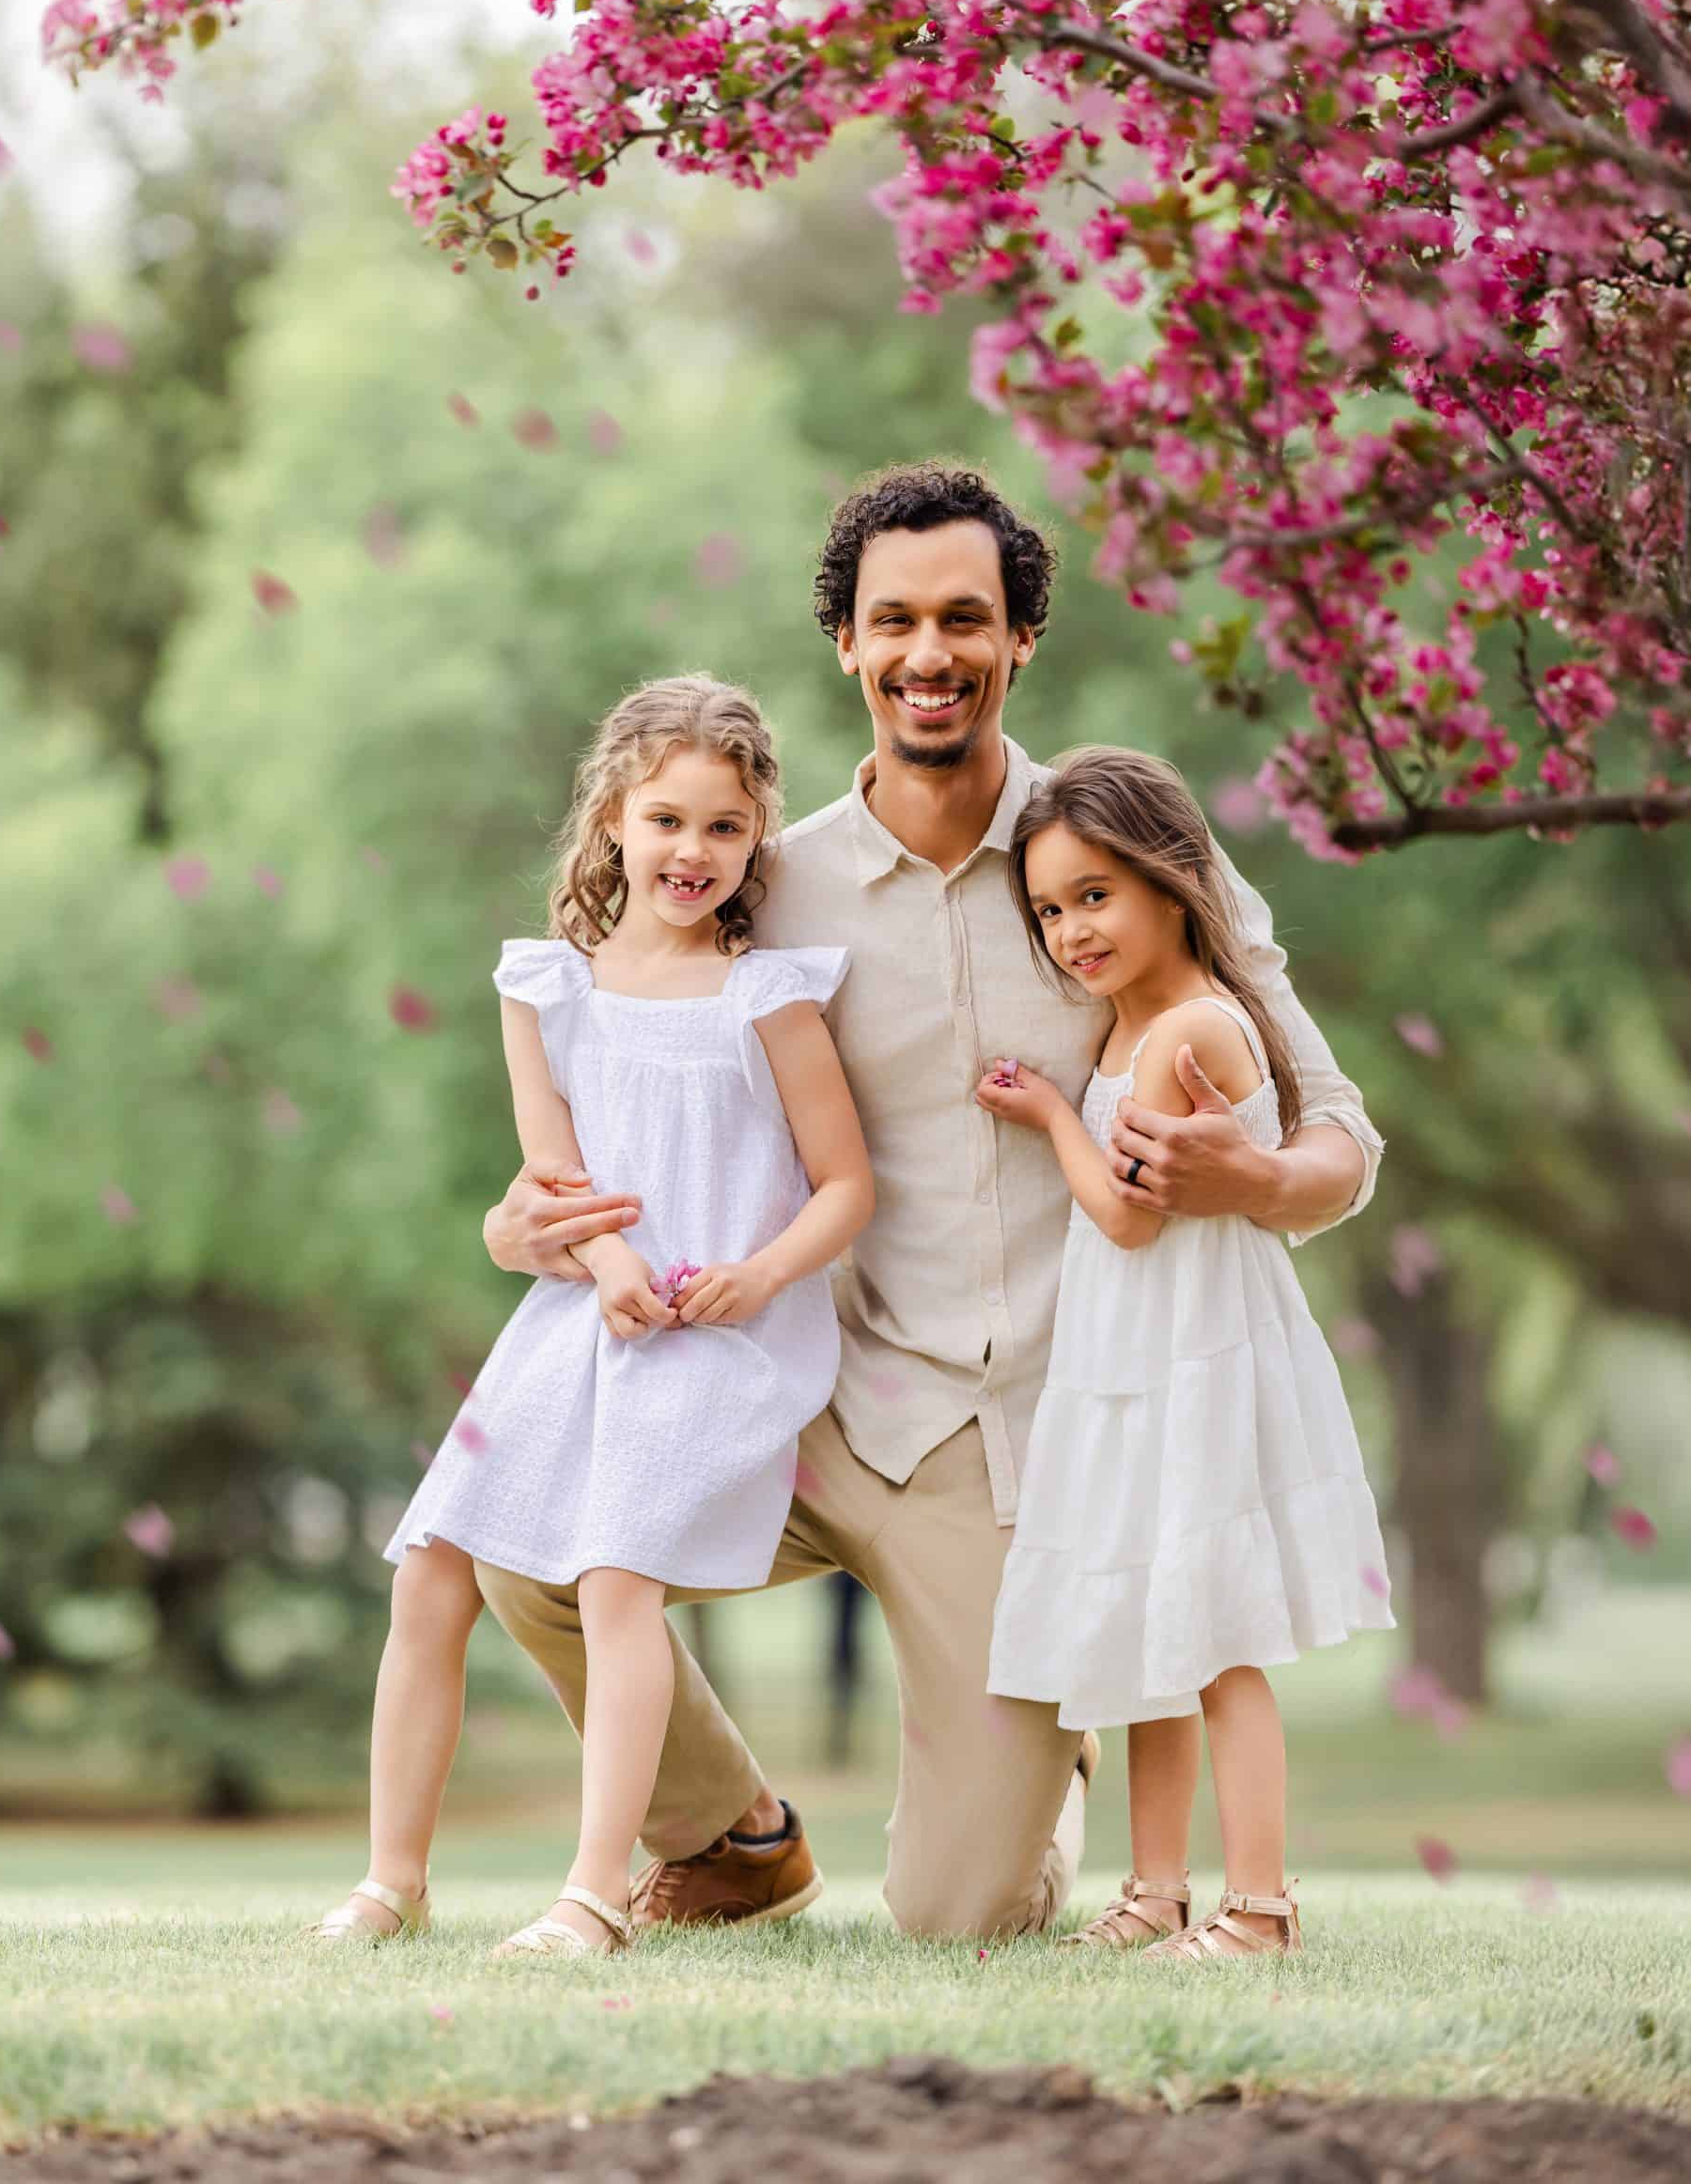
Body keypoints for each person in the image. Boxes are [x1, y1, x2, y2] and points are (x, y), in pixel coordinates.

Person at [476, 463, 1384, 1942]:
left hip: (1031, 1436)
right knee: (526, 1541)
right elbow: (612, 1067)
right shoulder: (769, 884)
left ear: (1021, 635)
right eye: (892, 620)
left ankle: (1043, 1757)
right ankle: (728, 1836)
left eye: (965, 618)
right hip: (805, 1397)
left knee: (958, 1920)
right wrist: (525, 1227)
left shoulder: (1126, 857)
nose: (928, 655)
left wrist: (1264, 1177)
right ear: (845, 640)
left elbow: (1337, 1129)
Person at [310, 674, 872, 1959]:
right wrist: (608, 1261)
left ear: (757, 839)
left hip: (724, 1329)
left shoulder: (767, 993)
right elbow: (550, 1162)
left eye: (726, 829)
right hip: (585, 1315)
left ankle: (593, 1891)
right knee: (435, 1568)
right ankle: (394, 1880)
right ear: (614, 816)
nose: (694, 852)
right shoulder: (546, 984)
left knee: (616, 1572)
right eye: (669, 820)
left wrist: (759, 1274)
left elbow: (847, 1187)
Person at [979, 749, 1393, 1959]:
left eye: (1095, 897)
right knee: (1153, 1631)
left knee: (1211, 1639)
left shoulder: (1184, 1034)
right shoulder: (1139, 1023)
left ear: (1171, 881)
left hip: (1187, 1347)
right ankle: (1153, 1890)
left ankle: (1258, 1906)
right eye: (1049, 911)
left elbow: (1127, 1215)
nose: (1070, 932)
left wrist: (1053, 1113)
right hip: (1136, 1351)